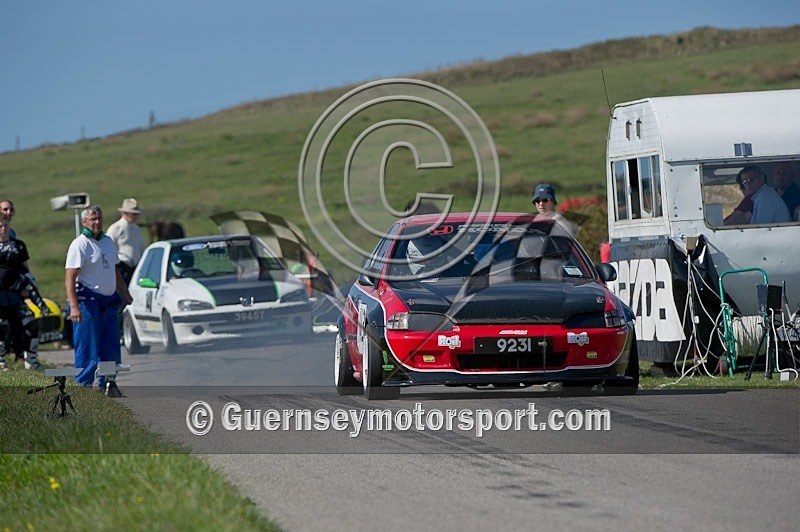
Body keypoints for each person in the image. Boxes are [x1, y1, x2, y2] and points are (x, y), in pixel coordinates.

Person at [65, 205, 133, 395]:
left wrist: (124, 291)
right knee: (87, 347)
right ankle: (84, 386)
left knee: (110, 345)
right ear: (84, 221)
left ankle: (108, 383)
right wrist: (74, 306)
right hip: (87, 303)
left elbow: (114, 269)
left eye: (99, 219)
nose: (96, 223)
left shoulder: (108, 242)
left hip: (107, 302)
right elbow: (70, 276)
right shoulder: (80, 244)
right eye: (92, 219)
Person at [0, 216, 48, 371]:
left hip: (15, 295)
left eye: (5, 226)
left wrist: (38, 300)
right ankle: (1, 361)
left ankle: (31, 360)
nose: (3, 229)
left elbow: (26, 273)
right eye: (0, 226)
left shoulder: (19, 246)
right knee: (2, 326)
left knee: (30, 323)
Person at [106, 198, 145, 285]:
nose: (136, 217)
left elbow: (141, 247)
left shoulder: (137, 229)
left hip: (135, 268)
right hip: (121, 267)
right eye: (133, 214)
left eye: (137, 214)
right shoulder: (115, 228)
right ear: (126, 213)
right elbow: (108, 249)